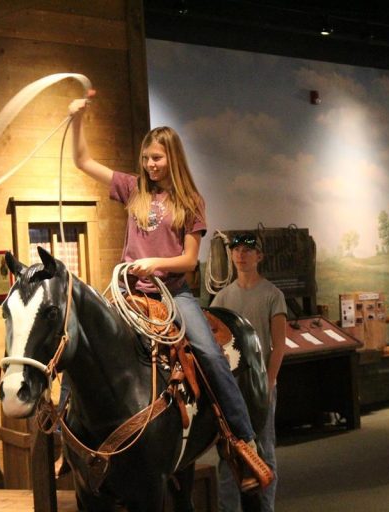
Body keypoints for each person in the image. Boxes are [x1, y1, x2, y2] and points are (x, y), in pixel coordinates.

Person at [68, 92, 272, 490]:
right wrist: (77, 119)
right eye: (146, 158)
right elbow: (82, 160)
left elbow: (190, 261)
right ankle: (69, 437)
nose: (150, 165)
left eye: (157, 158)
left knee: (211, 354)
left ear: (172, 158)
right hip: (129, 295)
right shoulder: (132, 189)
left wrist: (156, 263)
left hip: (171, 294)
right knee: (81, 341)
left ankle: (243, 442)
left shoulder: (189, 201)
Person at [210, 232, 287, 512]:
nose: (241, 255)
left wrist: (268, 383)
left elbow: (278, 345)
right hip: (230, 388)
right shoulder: (221, 298)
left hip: (259, 386)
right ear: (231, 255)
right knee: (228, 451)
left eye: (248, 250)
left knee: (264, 448)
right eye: (237, 250)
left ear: (259, 256)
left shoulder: (272, 295)